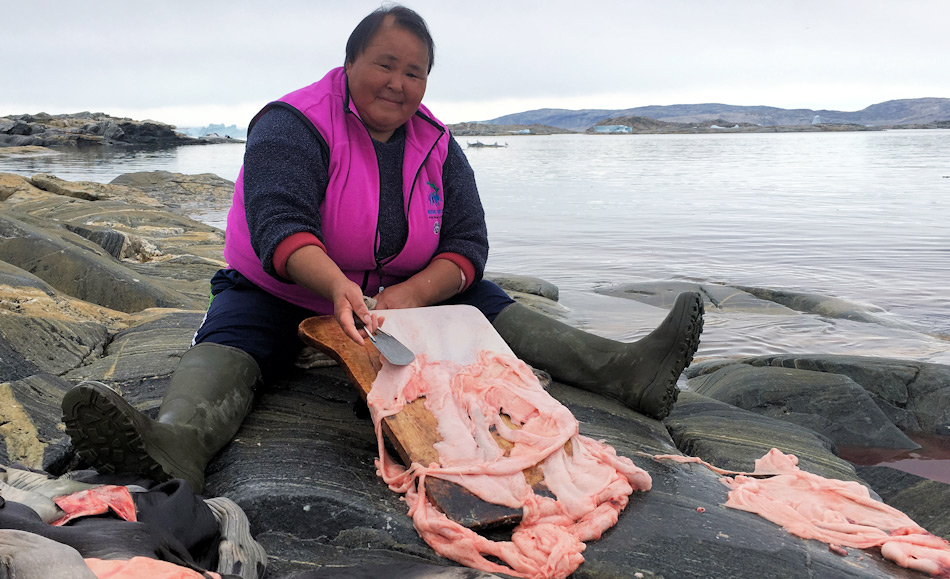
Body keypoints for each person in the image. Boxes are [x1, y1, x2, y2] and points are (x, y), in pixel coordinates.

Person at [61, 5, 704, 494]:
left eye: (415, 71)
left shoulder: (438, 145)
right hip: (283, 289)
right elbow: (276, 223)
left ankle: (627, 374)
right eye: (385, 64)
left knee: (481, 301)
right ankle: (177, 444)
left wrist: (408, 296)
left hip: (394, 302)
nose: (398, 83)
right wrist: (336, 286)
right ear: (350, 64)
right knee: (238, 334)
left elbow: (467, 244)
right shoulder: (295, 121)